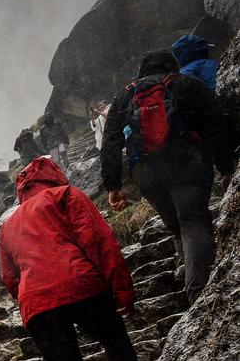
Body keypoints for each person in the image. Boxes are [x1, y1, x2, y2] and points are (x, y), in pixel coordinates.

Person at [0, 157, 147, 361]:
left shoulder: (9, 225)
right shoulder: (66, 195)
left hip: (38, 304)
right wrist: (122, 289)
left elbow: (9, 277)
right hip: (81, 285)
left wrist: (31, 300)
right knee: (114, 340)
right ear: (53, 176)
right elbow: (99, 241)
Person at [101, 49, 236, 301]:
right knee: (192, 220)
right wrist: (226, 167)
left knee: (175, 224)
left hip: (147, 173)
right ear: (172, 65)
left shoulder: (126, 95)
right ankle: (198, 293)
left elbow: (110, 140)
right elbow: (215, 123)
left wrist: (112, 185)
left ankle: (185, 269)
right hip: (187, 164)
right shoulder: (186, 84)